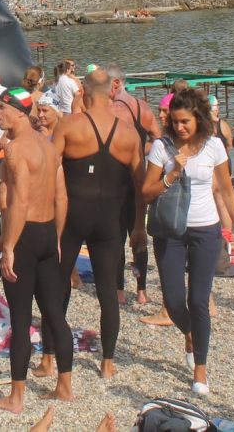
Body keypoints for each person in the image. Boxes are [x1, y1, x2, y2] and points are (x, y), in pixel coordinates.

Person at [143, 88, 234, 395]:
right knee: (174, 301)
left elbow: (227, 190)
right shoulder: (161, 147)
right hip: (170, 231)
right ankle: (189, 332)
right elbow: (146, 192)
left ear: (198, 118)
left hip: (206, 229)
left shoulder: (214, 145)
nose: (179, 127)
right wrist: (171, 174)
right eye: (174, 122)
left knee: (199, 300)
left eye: (185, 121)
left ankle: (200, 368)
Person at [42, 68, 142, 379]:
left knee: (56, 286)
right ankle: (108, 363)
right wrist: (138, 227)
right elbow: (141, 187)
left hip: (72, 216)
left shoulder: (70, 126)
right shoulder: (129, 134)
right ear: (112, 91)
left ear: (82, 91)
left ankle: (48, 358)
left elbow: (48, 171)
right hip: (110, 220)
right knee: (108, 293)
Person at [0, 87, 73, 414]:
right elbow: (62, 197)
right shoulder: (49, 147)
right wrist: (58, 240)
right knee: (54, 314)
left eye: (0, 108)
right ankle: (64, 387)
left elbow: (19, 201)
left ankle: (16, 398)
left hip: (23, 236)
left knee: (21, 320)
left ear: (18, 112)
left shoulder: (16, 150)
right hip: (48, 232)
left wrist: (7, 247)